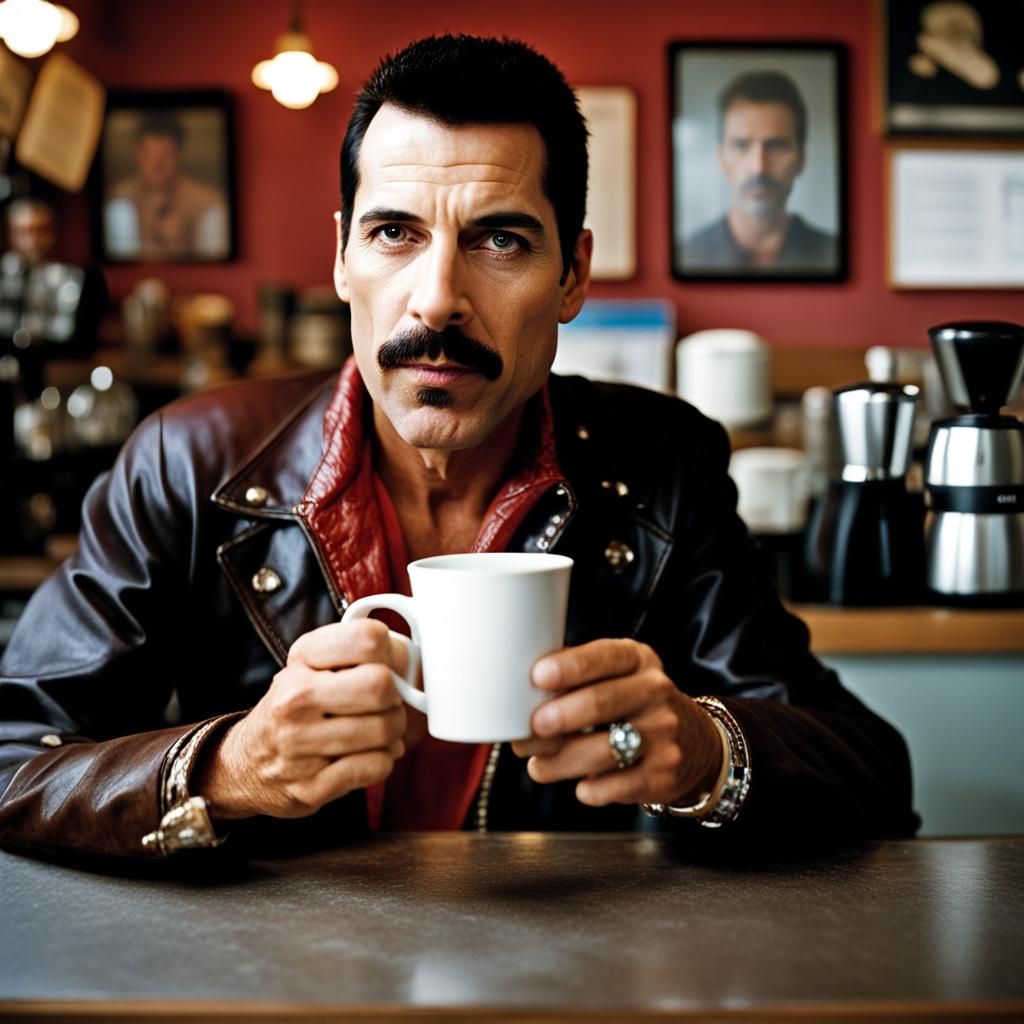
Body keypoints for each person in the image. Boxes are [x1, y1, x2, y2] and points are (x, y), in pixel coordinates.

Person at [0, 35, 915, 869]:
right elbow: (13, 761)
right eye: (394, 233)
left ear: (573, 275)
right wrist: (230, 769)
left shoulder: (660, 466)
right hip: (271, 972)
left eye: (500, 239)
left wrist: (708, 754)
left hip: (568, 960)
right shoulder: (188, 462)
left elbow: (874, 773)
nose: (436, 298)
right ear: (341, 258)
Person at [680, 70, 838, 273]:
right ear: (720, 159)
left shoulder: (834, 253)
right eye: (741, 145)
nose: (759, 167)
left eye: (777, 146)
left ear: (801, 159)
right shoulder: (686, 255)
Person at [104, 112, 229, 262]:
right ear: (137, 153)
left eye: (166, 155)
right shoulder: (118, 197)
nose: (157, 164)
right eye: (149, 155)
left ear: (179, 153)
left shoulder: (207, 201)